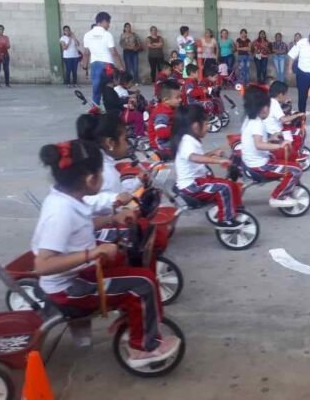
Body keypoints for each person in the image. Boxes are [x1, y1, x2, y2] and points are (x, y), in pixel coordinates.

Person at [32, 139, 180, 367]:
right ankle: (142, 348)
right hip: (68, 288)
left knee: (131, 257)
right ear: (91, 179)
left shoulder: (70, 200)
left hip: (81, 273)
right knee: (143, 283)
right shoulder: (59, 213)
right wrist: (92, 253)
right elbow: (42, 265)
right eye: (101, 172)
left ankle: (136, 318)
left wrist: (112, 218)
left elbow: (82, 227)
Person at [171, 104, 242, 228]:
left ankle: (236, 209)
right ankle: (226, 219)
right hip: (191, 186)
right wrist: (218, 161)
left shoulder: (190, 140)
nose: (208, 127)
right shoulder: (187, 141)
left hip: (197, 181)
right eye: (206, 124)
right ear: (195, 126)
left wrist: (212, 154)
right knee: (224, 188)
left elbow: (194, 158)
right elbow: (195, 158)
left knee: (230, 185)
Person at [241, 86, 301, 208]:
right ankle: (279, 196)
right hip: (260, 166)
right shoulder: (257, 123)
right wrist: (280, 146)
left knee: (288, 162)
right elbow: (258, 145)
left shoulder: (248, 120)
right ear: (264, 108)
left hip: (251, 162)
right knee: (296, 170)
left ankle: (286, 188)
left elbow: (255, 143)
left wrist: (270, 139)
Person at [76, 114, 139, 215]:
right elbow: (84, 200)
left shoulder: (102, 162)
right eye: (125, 139)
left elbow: (120, 191)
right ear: (110, 143)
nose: (127, 144)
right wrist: (114, 199)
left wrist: (138, 181)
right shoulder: (103, 170)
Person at [83, 12, 124, 106]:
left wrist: (85, 68)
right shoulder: (107, 34)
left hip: (95, 65)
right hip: (108, 66)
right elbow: (113, 52)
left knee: (96, 91)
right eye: (108, 23)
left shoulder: (87, 35)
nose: (109, 25)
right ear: (103, 21)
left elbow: (86, 53)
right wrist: (121, 67)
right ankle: (110, 110)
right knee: (109, 89)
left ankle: (95, 111)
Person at [265, 81, 306, 158]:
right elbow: (284, 119)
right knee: (298, 135)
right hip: (274, 132)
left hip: (269, 130)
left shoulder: (270, 100)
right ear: (280, 95)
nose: (286, 96)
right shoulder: (275, 104)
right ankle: (292, 155)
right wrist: (297, 115)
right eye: (285, 94)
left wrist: (284, 102)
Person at [148, 79, 182, 158]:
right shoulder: (162, 114)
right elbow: (161, 133)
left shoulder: (170, 108)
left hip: (168, 138)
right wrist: (177, 128)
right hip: (160, 143)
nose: (180, 100)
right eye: (177, 98)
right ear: (166, 100)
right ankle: (159, 154)